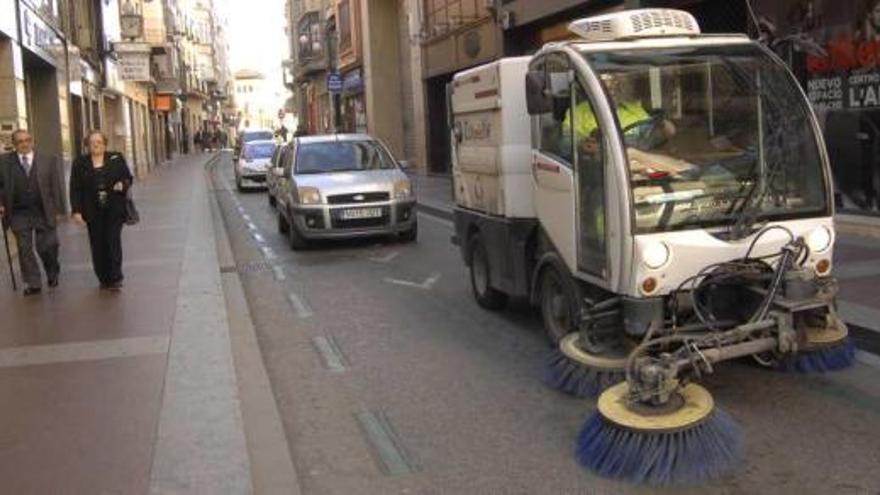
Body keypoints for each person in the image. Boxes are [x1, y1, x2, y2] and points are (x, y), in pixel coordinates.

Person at [0, 129, 66, 296]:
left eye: (27, 140)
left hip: (43, 209)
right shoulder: (4, 162)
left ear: (32, 141)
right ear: (14, 145)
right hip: (18, 212)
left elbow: (56, 186)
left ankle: (52, 271)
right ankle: (33, 282)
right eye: (20, 141)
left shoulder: (48, 160)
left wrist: (59, 209)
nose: (24, 144)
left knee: (48, 246)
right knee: (24, 248)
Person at [69, 130, 133, 290]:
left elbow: (128, 178)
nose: (96, 145)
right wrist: (76, 211)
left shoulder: (116, 158)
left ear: (105, 144)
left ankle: (116, 277)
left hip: (114, 208)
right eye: (92, 142)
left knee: (113, 241)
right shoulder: (79, 163)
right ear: (87, 146)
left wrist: (122, 184)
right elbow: (75, 188)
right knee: (98, 244)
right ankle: (103, 278)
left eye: (99, 142)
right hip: (92, 210)